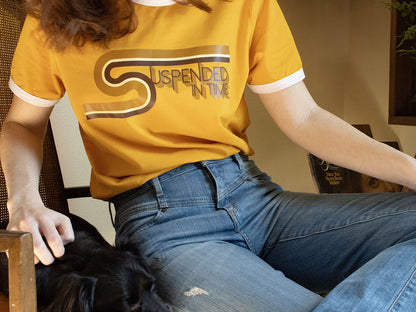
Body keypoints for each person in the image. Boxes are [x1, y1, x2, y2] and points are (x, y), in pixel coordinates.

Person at [2, 0, 416, 311]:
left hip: (259, 199)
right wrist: (23, 199)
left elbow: (304, 117)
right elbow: (22, 123)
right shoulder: (55, 14)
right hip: (165, 221)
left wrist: (412, 170)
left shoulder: (246, 3)